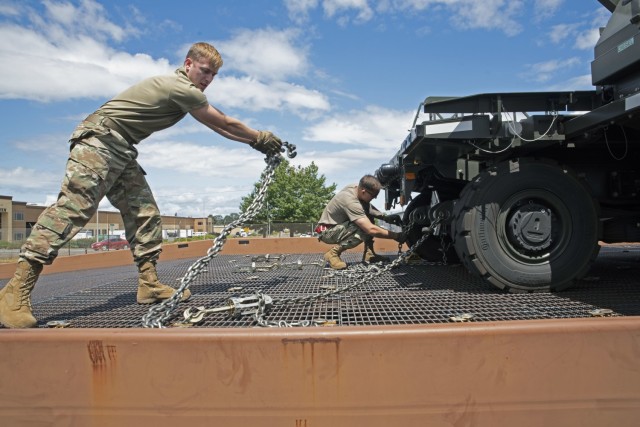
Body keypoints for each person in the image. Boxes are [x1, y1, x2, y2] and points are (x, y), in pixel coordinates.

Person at [0, 42, 283, 329]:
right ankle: (15, 292)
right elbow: (221, 121)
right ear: (188, 65)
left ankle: (149, 284)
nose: (208, 79)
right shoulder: (179, 86)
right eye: (204, 71)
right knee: (75, 208)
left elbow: (218, 127)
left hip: (121, 149)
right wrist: (259, 137)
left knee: (144, 213)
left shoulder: (188, 93)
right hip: (100, 140)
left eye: (213, 75)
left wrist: (255, 143)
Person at [316, 175, 405, 270]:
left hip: (336, 227)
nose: (375, 198)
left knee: (367, 218)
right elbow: (370, 229)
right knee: (363, 227)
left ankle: (369, 254)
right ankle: (332, 254)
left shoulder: (357, 188)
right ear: (363, 191)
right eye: (373, 196)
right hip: (326, 231)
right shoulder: (350, 201)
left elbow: (367, 207)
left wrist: (385, 218)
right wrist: (397, 236)